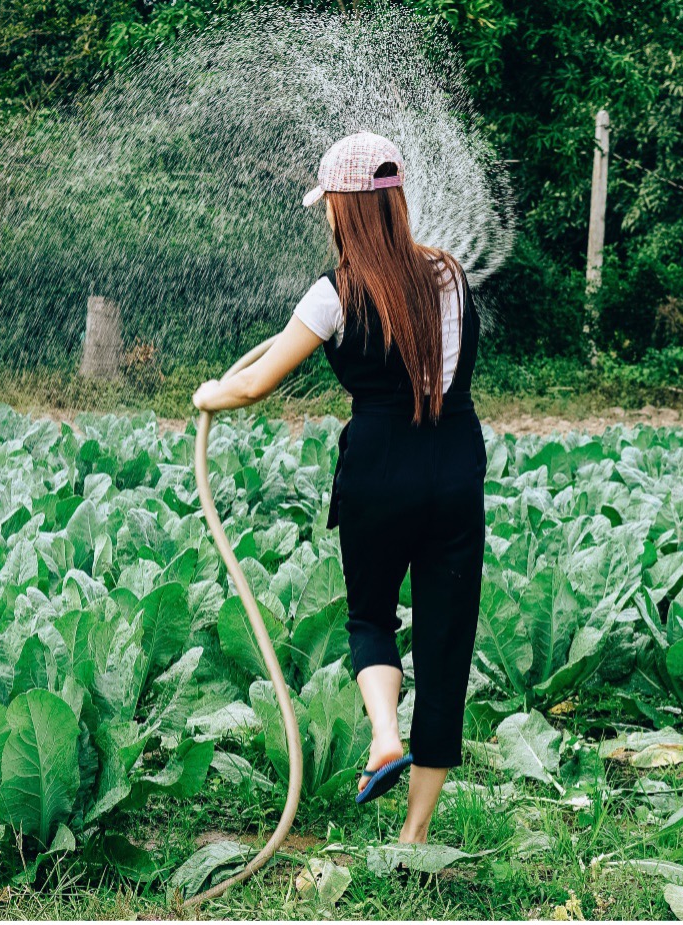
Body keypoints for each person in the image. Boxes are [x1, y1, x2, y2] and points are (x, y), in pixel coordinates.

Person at [191, 131, 485, 848]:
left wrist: (210, 393)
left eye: (328, 206)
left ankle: (385, 733)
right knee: (446, 643)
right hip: (453, 466)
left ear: (344, 211)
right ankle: (414, 835)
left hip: (380, 469)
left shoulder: (334, 293)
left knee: (371, 616)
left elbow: (256, 382)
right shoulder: (449, 273)